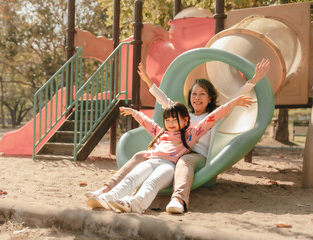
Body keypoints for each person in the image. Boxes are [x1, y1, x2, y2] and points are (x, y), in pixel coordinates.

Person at [86, 58, 271, 214]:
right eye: (194, 94)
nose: (197, 97)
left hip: (196, 154)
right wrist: (148, 82)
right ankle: (106, 191)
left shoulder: (210, 117)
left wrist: (254, 79)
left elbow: (228, 104)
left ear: (210, 98)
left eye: (202, 94)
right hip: (169, 153)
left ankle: (179, 200)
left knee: (184, 161)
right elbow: (164, 101)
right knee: (141, 156)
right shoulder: (182, 116)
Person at [88, 96, 255, 214]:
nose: (170, 123)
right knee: (132, 178)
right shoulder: (160, 133)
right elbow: (148, 123)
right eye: (168, 120)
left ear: (185, 120)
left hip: (168, 167)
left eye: (174, 120)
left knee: (151, 183)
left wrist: (232, 103)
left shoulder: (190, 134)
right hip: (152, 161)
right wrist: (134, 113)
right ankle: (108, 196)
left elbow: (211, 118)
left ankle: (136, 203)